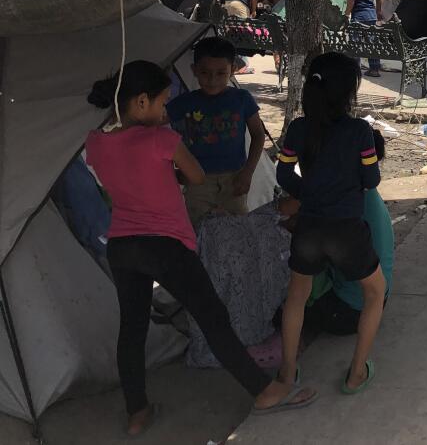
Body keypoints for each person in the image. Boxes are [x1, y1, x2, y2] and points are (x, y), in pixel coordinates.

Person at [85, 61, 316, 435]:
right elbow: (195, 177)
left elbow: (119, 176)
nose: (165, 112)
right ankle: (263, 390)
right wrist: (168, 168)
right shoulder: (162, 140)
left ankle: (137, 411)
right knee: (213, 319)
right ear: (141, 101)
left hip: (123, 246)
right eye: (162, 104)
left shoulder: (95, 143)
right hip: (166, 247)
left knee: (132, 329)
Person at [276, 52, 387, 396]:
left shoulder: (297, 128)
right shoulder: (361, 132)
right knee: (375, 293)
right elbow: (371, 179)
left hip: (309, 227)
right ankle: (356, 373)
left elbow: (283, 174)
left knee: (296, 297)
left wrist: (308, 192)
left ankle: (288, 372)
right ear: (348, 93)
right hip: (346, 230)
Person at [282, 131, 395, 336]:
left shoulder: (344, 198)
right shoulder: (366, 192)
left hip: (351, 310)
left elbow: (287, 210)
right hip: (376, 299)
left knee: (287, 301)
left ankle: (288, 359)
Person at [168, 37, 267, 228]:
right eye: (205, 73)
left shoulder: (242, 99)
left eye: (221, 73)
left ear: (234, 69)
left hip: (235, 179)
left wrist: (248, 172)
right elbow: (154, 122)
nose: (212, 80)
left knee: (238, 230)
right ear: (194, 70)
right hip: (198, 182)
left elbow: (258, 135)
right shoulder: (185, 102)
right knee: (198, 230)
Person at [346, 0, 382, 77]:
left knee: (355, 44)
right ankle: (374, 69)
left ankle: (355, 69)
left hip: (358, 16)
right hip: (371, 16)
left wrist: (346, 14)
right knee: (371, 43)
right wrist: (378, 14)